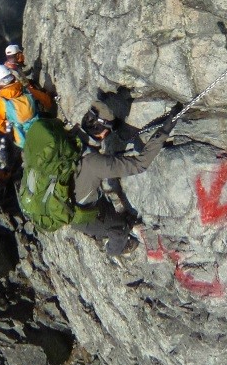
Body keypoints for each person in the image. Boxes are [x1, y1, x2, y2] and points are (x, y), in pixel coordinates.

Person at [68, 101, 180, 255]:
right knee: (120, 228)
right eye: (108, 131)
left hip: (66, 196)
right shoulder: (94, 163)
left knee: (103, 204)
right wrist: (167, 127)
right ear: (100, 131)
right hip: (79, 216)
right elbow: (140, 164)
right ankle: (113, 250)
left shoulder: (69, 137)